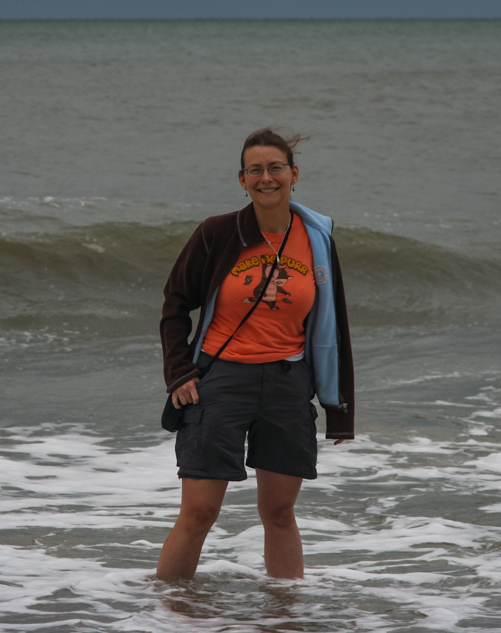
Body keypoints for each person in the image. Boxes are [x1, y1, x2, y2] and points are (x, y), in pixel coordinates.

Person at [157, 127, 355, 581]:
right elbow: (175, 305)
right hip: (222, 381)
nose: (267, 178)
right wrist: (179, 372)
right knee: (199, 514)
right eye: (255, 171)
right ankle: (168, 616)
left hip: (288, 384)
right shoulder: (218, 233)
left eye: (276, 168)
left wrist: (338, 408)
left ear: (294, 174)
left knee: (281, 514)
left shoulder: (318, 236)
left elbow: (332, 325)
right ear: (242, 180)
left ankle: (285, 618)